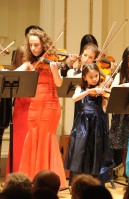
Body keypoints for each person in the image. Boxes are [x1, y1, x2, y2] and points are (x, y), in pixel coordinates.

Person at [16, 28, 67, 188]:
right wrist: (25, 69)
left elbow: (59, 84)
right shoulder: (30, 63)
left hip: (50, 105)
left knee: (46, 139)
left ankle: (49, 181)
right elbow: (12, 76)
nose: (33, 48)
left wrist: (54, 69)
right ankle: (33, 179)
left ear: (44, 45)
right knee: (33, 138)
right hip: (34, 105)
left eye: (36, 45)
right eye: (30, 45)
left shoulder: (52, 62)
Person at [64, 63, 114, 184]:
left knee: (96, 154)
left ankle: (95, 184)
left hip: (97, 126)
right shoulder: (80, 89)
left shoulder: (101, 90)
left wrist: (104, 98)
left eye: (96, 76)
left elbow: (104, 110)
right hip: (82, 127)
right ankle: (77, 184)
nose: (94, 79)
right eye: (91, 77)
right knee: (80, 153)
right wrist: (89, 91)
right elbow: (74, 98)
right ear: (85, 77)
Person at [109, 46, 129, 179]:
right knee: (125, 147)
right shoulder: (120, 75)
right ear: (125, 62)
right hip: (124, 115)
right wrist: (127, 85)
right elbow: (113, 89)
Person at [6, 45, 29, 173]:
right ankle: (17, 171)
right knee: (19, 141)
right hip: (21, 108)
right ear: (19, 59)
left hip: (33, 107)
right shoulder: (17, 72)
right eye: (25, 60)